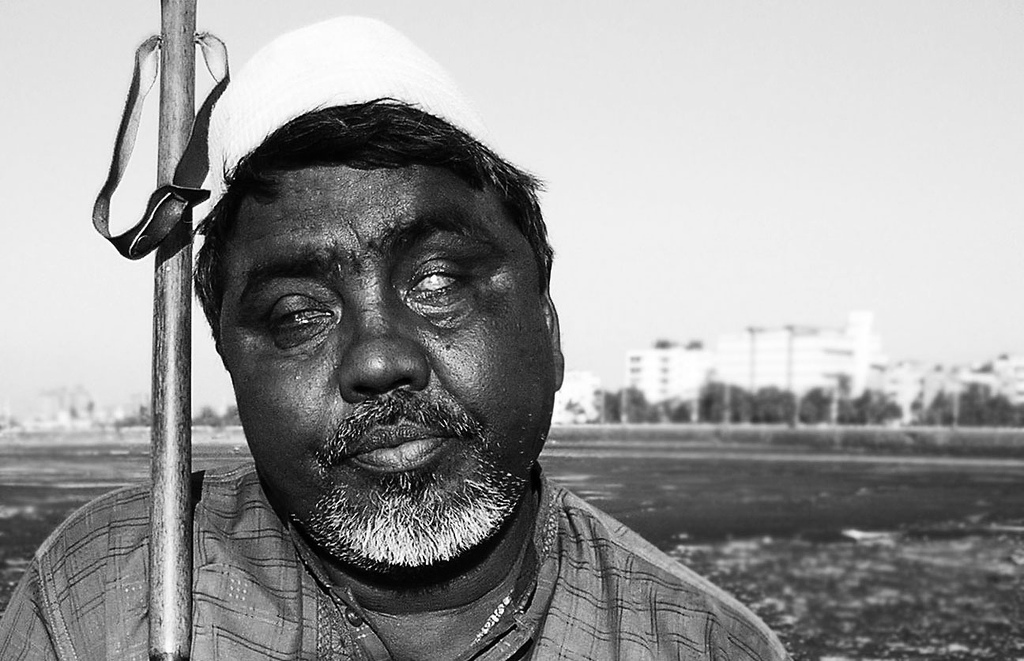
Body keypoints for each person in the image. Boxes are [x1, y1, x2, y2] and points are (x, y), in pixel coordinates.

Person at [0, 16, 790, 660]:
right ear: (226, 358)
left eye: (438, 283)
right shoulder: (106, 599)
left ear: (548, 328)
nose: (379, 358)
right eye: (297, 313)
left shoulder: (699, 644)